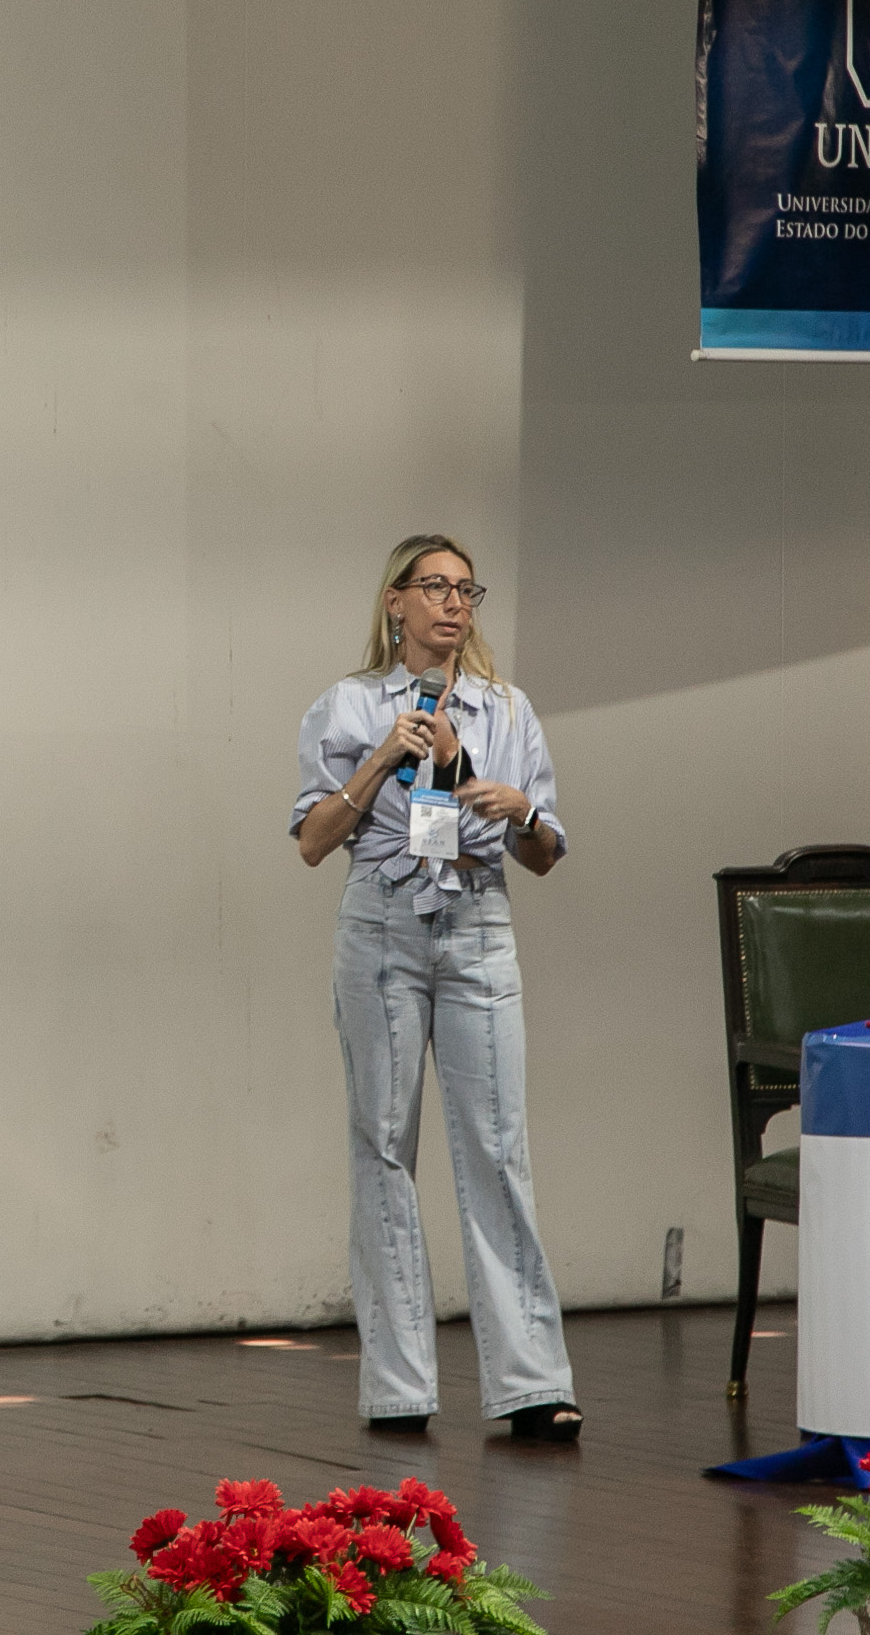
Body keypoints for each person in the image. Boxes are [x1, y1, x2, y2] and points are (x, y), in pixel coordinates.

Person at [291, 533, 582, 1443]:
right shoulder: (348, 703)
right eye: (435, 587)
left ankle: (532, 1383)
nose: (454, 603)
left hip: (476, 923)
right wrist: (384, 756)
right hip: (381, 926)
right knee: (383, 1146)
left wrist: (517, 807)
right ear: (396, 602)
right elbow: (312, 842)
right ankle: (399, 1387)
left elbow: (544, 854)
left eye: (466, 589)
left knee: (496, 1146)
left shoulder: (507, 708)